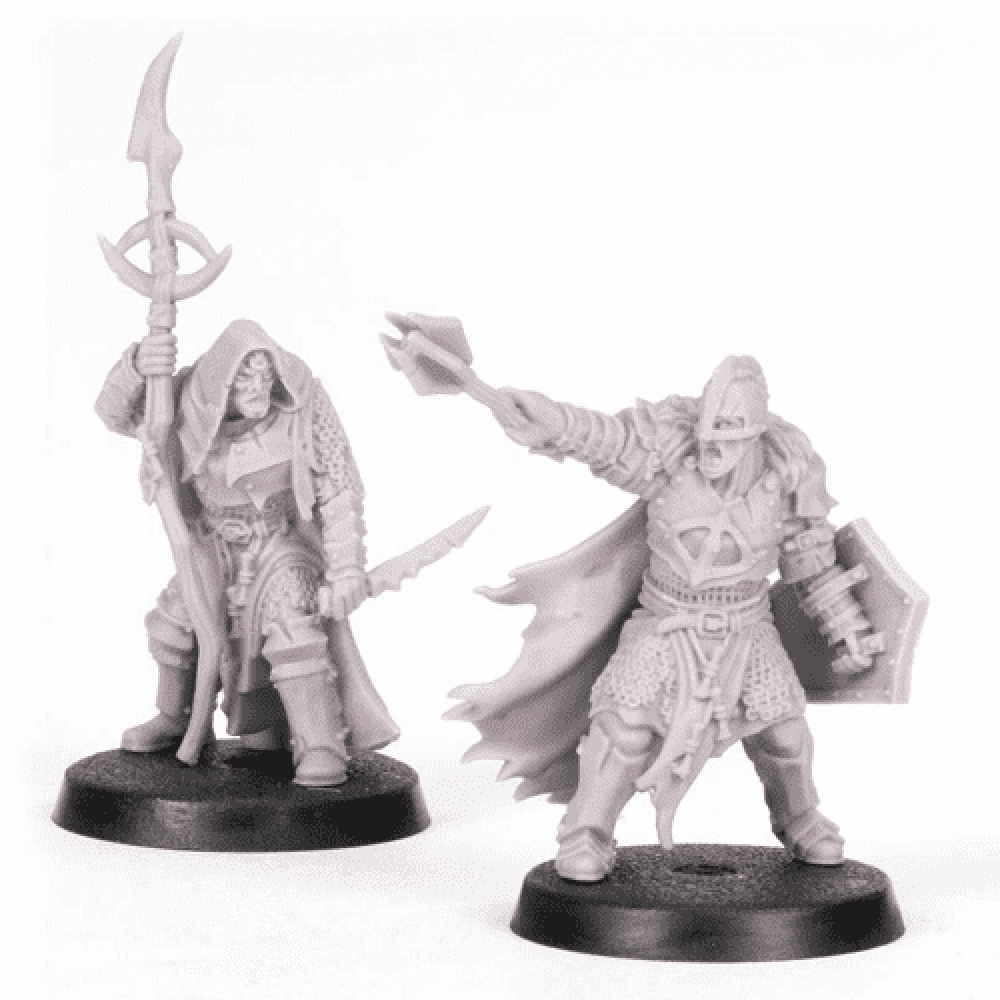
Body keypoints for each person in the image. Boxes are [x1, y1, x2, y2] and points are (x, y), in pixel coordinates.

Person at [451, 355, 876, 881]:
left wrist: (848, 627)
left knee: (783, 733)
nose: (711, 449)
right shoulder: (672, 459)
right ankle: (586, 831)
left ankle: (801, 818)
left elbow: (811, 562)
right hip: (665, 620)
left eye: (725, 440)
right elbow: (607, 441)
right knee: (623, 729)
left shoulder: (785, 477)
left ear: (753, 435)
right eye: (707, 436)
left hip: (746, 628)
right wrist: (554, 420)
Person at [96, 319, 399, 786]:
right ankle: (174, 717)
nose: (258, 389)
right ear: (221, 381)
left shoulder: (304, 404)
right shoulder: (186, 400)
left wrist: (345, 570)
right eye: (245, 380)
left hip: (280, 545)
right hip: (213, 546)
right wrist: (138, 366)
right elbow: (115, 413)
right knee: (174, 622)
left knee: (292, 630)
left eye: (264, 378)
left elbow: (338, 488)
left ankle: (319, 743)